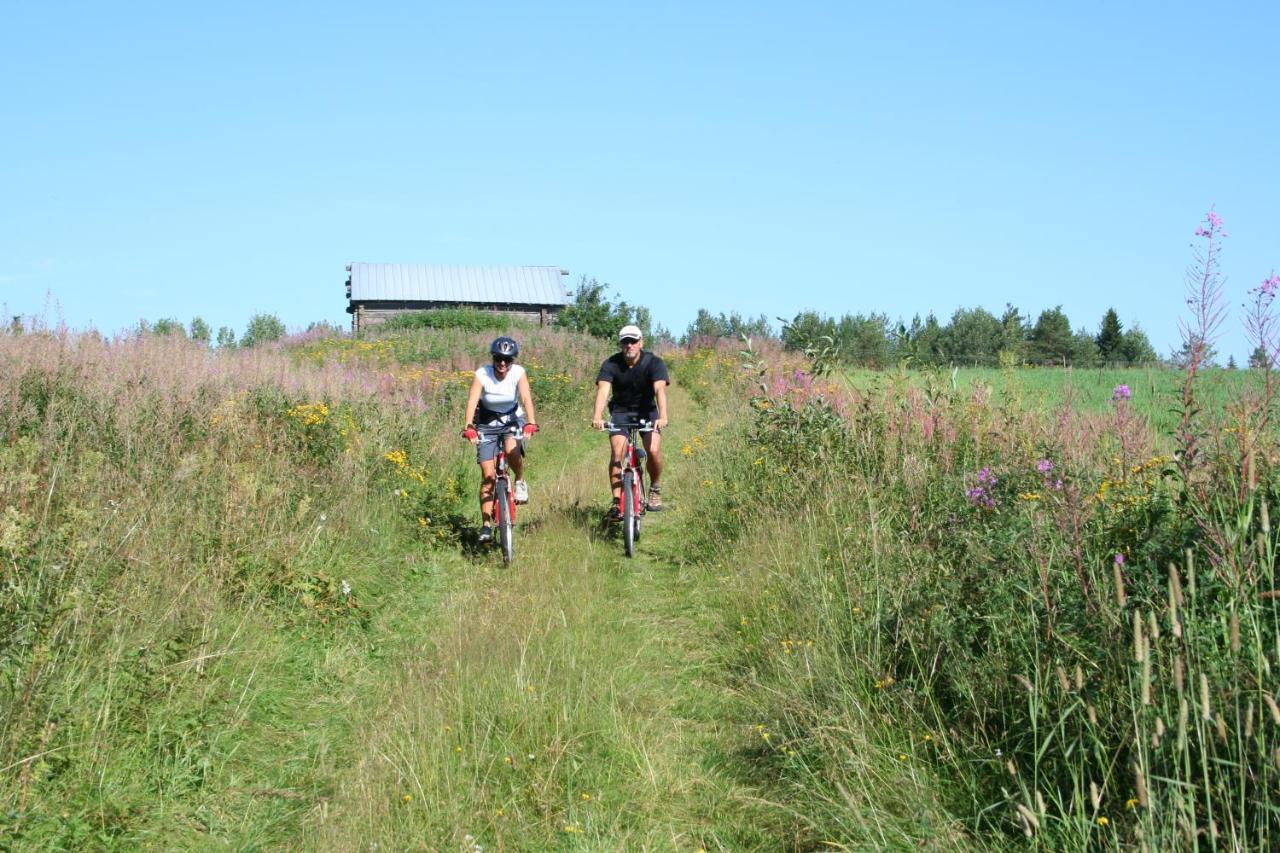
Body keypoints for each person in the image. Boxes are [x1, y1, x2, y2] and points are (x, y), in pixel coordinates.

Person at [461, 336, 538, 543]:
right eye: (498, 359)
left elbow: (527, 398)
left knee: (512, 451)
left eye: (507, 359)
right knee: (488, 477)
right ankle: (485, 525)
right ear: (493, 358)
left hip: (512, 420)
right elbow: (472, 400)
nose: (502, 364)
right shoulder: (482, 374)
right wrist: (468, 426)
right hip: (486, 423)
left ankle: (519, 480)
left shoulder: (518, 373)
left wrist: (531, 422)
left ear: (512, 360)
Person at [591, 324, 670, 517]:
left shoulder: (654, 362)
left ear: (641, 342)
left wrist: (663, 416)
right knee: (617, 453)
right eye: (626, 342)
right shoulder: (611, 364)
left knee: (653, 450)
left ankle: (655, 488)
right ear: (621, 344)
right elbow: (603, 391)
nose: (630, 345)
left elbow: (660, 390)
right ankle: (617, 502)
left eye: (633, 341)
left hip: (647, 412)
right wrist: (597, 416)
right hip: (621, 412)